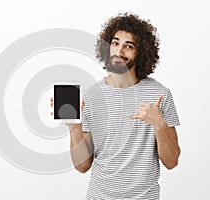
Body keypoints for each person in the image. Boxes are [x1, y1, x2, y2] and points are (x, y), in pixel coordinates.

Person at [51, 13, 180, 199]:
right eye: (115, 43)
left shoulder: (160, 94)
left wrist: (159, 125)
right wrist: (74, 127)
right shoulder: (91, 96)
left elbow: (172, 161)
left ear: (140, 52)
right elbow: (82, 166)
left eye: (129, 46)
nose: (119, 52)